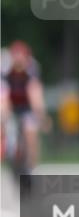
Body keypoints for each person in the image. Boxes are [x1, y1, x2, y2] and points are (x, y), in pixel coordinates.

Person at [1, 41, 49, 176]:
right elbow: (3, 95)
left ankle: (32, 166)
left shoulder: (32, 68)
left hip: (26, 105)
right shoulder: (4, 68)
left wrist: (41, 116)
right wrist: (4, 116)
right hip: (10, 103)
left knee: (31, 131)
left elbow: (35, 95)